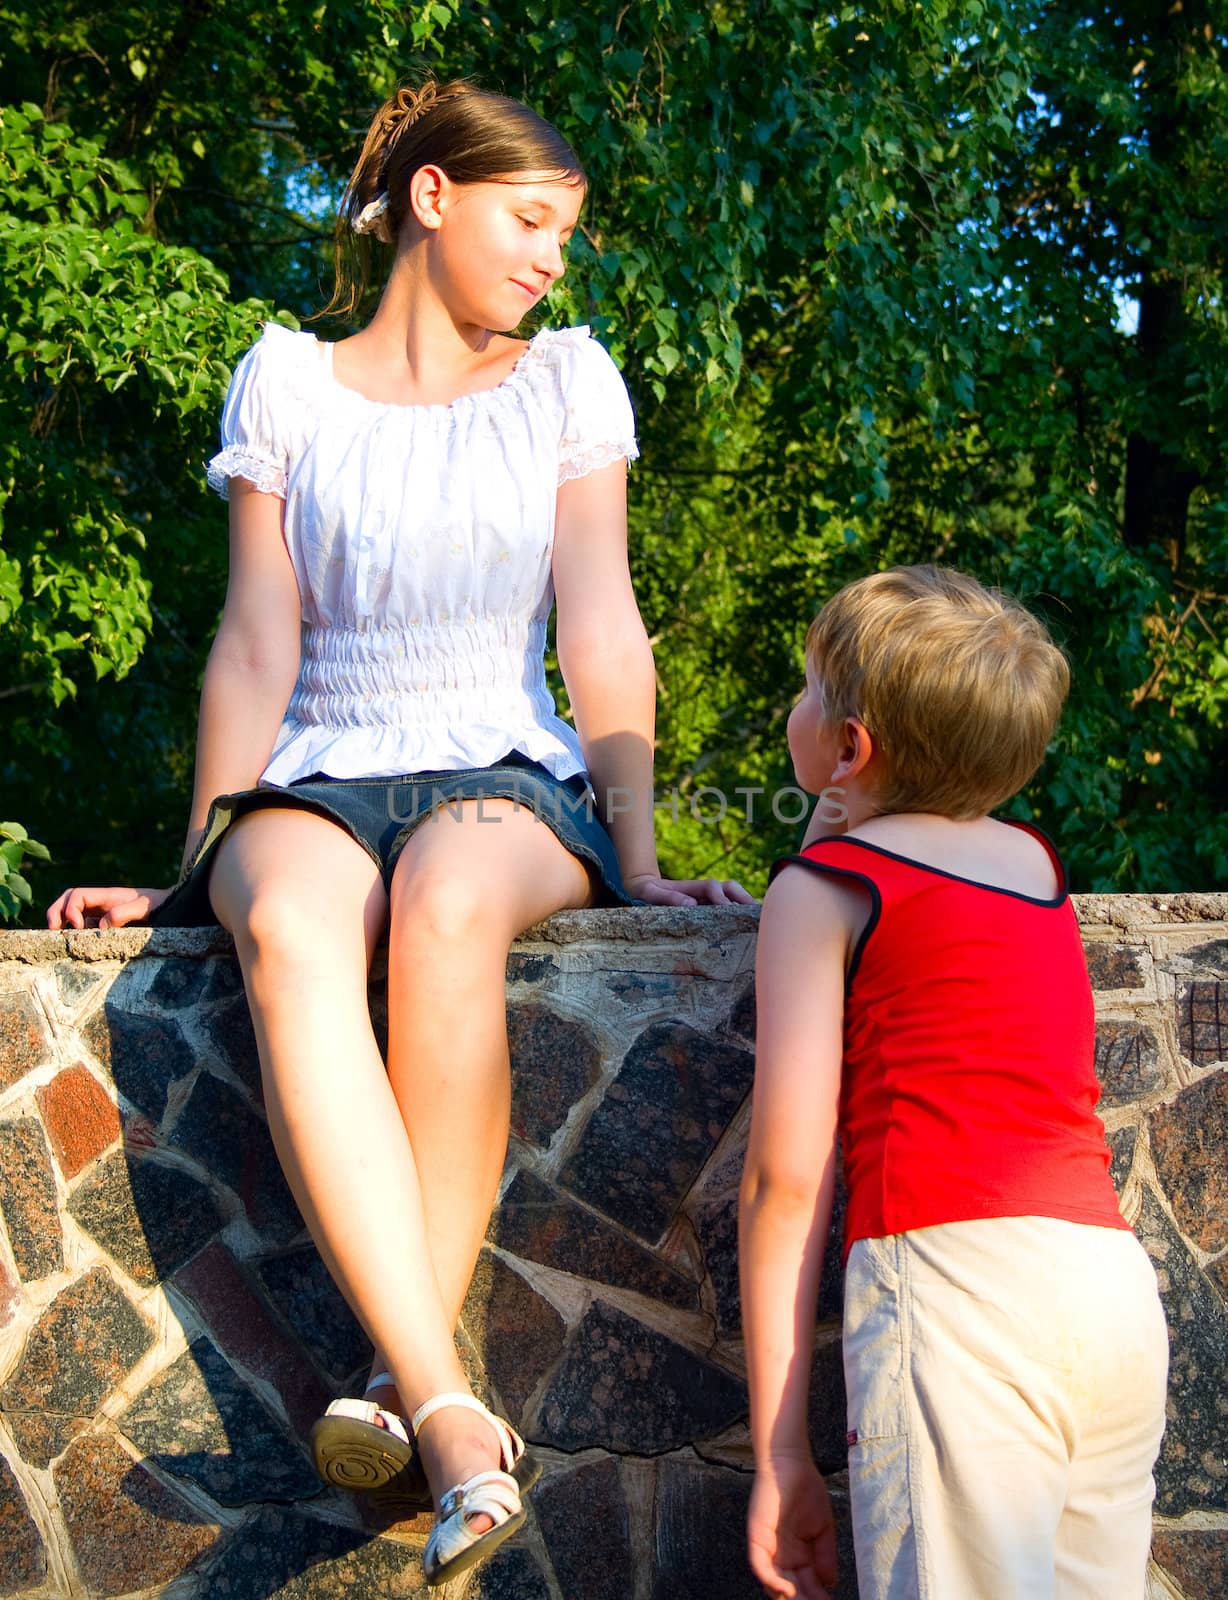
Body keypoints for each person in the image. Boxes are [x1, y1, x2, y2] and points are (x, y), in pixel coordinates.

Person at [46, 77, 750, 1586]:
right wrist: (193, 869)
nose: (555, 259)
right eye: (533, 221)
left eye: (565, 234)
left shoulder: (566, 380)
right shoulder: (287, 383)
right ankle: (442, 1408)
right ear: (435, 200)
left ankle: (404, 1388)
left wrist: (633, 851)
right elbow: (252, 643)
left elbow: (603, 626)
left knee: (443, 910)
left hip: (503, 762)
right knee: (289, 919)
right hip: (317, 768)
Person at [738, 565, 1168, 1600]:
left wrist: (780, 1455)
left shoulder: (821, 892)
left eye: (806, 686)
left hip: (957, 1290)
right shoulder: (1034, 866)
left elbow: (784, 1182)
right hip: (1105, 1288)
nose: (790, 704)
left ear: (851, 747)